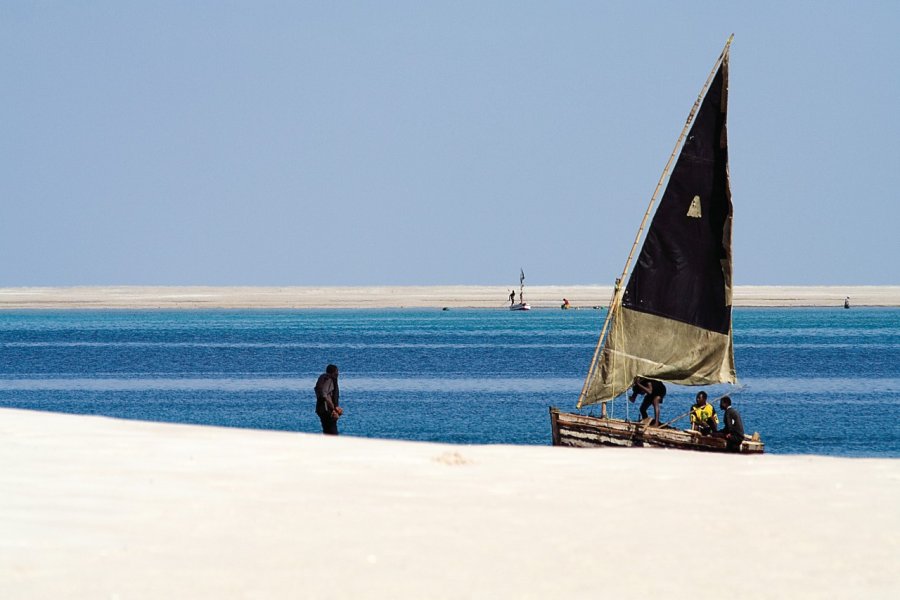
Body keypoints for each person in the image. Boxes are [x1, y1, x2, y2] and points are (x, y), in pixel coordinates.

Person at [314, 364, 342, 435]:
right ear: (333, 372)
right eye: (336, 372)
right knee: (333, 432)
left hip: (321, 409)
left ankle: (326, 444)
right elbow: (324, 394)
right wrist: (333, 408)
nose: (338, 374)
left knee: (326, 430)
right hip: (327, 410)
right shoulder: (329, 380)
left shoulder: (322, 378)